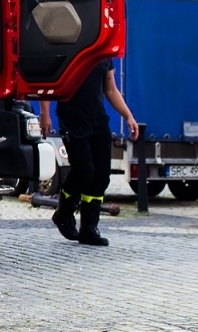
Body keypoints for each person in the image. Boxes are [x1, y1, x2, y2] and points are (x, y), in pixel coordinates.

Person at [49, 60, 137, 247]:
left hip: (98, 119)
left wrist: (128, 116)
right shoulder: (69, 46)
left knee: (101, 174)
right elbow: (48, 83)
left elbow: (111, 89)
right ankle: (63, 214)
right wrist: (44, 114)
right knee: (84, 170)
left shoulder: (105, 54)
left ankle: (89, 228)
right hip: (72, 117)